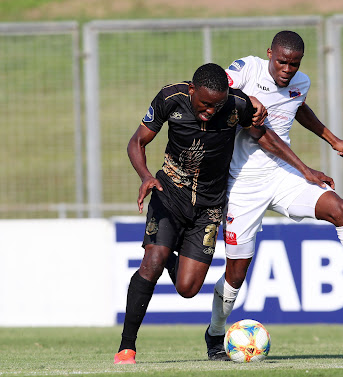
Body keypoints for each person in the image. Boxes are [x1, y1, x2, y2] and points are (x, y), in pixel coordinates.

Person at [204, 31, 343, 361]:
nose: (286, 69)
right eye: (281, 61)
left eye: (293, 64)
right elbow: (229, 100)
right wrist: (245, 99)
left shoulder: (301, 82)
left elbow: (299, 107)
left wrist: (333, 139)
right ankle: (214, 332)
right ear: (269, 54)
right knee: (236, 273)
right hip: (243, 187)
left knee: (340, 208)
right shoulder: (247, 69)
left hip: (284, 178)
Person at [114, 62, 330, 364]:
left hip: (210, 205)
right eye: (204, 105)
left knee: (188, 289)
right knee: (151, 261)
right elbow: (137, 141)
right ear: (192, 90)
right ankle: (127, 347)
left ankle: (164, 253)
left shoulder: (236, 104)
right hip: (169, 193)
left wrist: (305, 170)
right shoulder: (169, 97)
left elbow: (264, 137)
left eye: (216, 105)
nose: (210, 111)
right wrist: (145, 176)